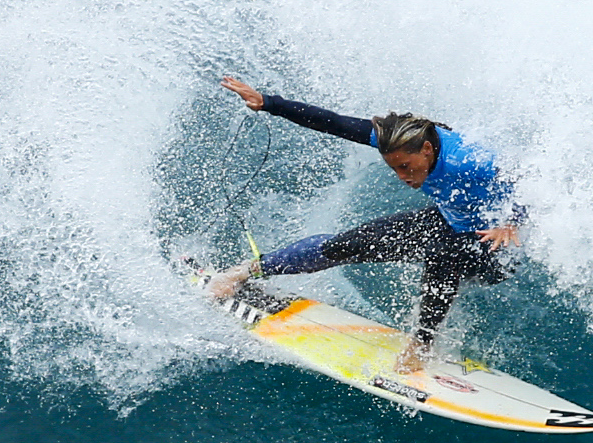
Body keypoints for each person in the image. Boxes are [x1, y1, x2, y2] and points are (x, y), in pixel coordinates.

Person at [203, 75, 523, 373]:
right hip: (451, 222)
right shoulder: (404, 142)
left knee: (445, 251)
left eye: (406, 166)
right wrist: (269, 102)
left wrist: (511, 221)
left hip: (494, 249)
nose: (402, 176)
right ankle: (248, 271)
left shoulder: (468, 160)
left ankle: (421, 344)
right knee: (344, 245)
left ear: (427, 149)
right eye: (394, 167)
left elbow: (530, 180)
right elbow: (333, 122)